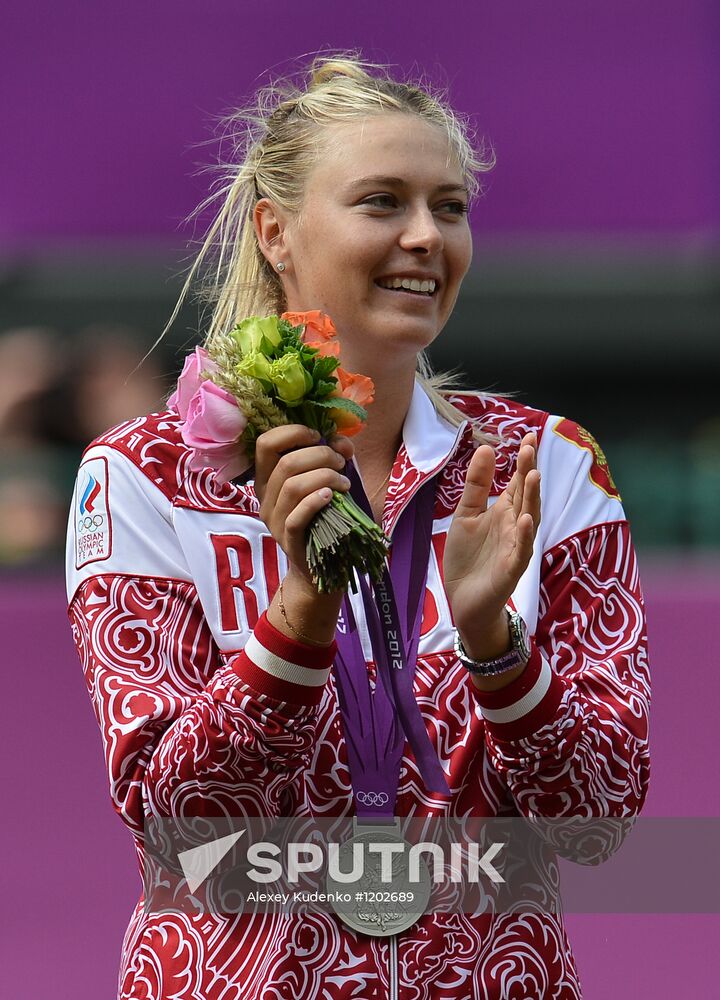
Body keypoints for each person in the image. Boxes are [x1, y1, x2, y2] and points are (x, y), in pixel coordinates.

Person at [66, 55, 650, 1000]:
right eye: (383, 202)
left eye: (450, 207)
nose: (426, 236)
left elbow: (600, 820)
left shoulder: (549, 466)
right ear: (276, 232)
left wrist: (496, 648)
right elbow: (178, 821)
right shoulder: (144, 474)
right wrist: (298, 615)